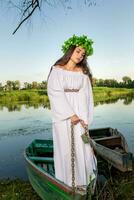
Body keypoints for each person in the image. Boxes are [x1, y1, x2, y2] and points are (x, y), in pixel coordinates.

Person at [47, 34, 97, 191]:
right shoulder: (56, 70)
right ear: (70, 51)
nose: (80, 56)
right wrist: (70, 114)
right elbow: (55, 93)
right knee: (66, 147)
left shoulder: (82, 73)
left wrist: (85, 117)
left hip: (80, 113)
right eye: (78, 51)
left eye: (83, 54)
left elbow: (87, 95)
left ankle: (85, 180)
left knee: (82, 146)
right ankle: (68, 183)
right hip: (64, 116)